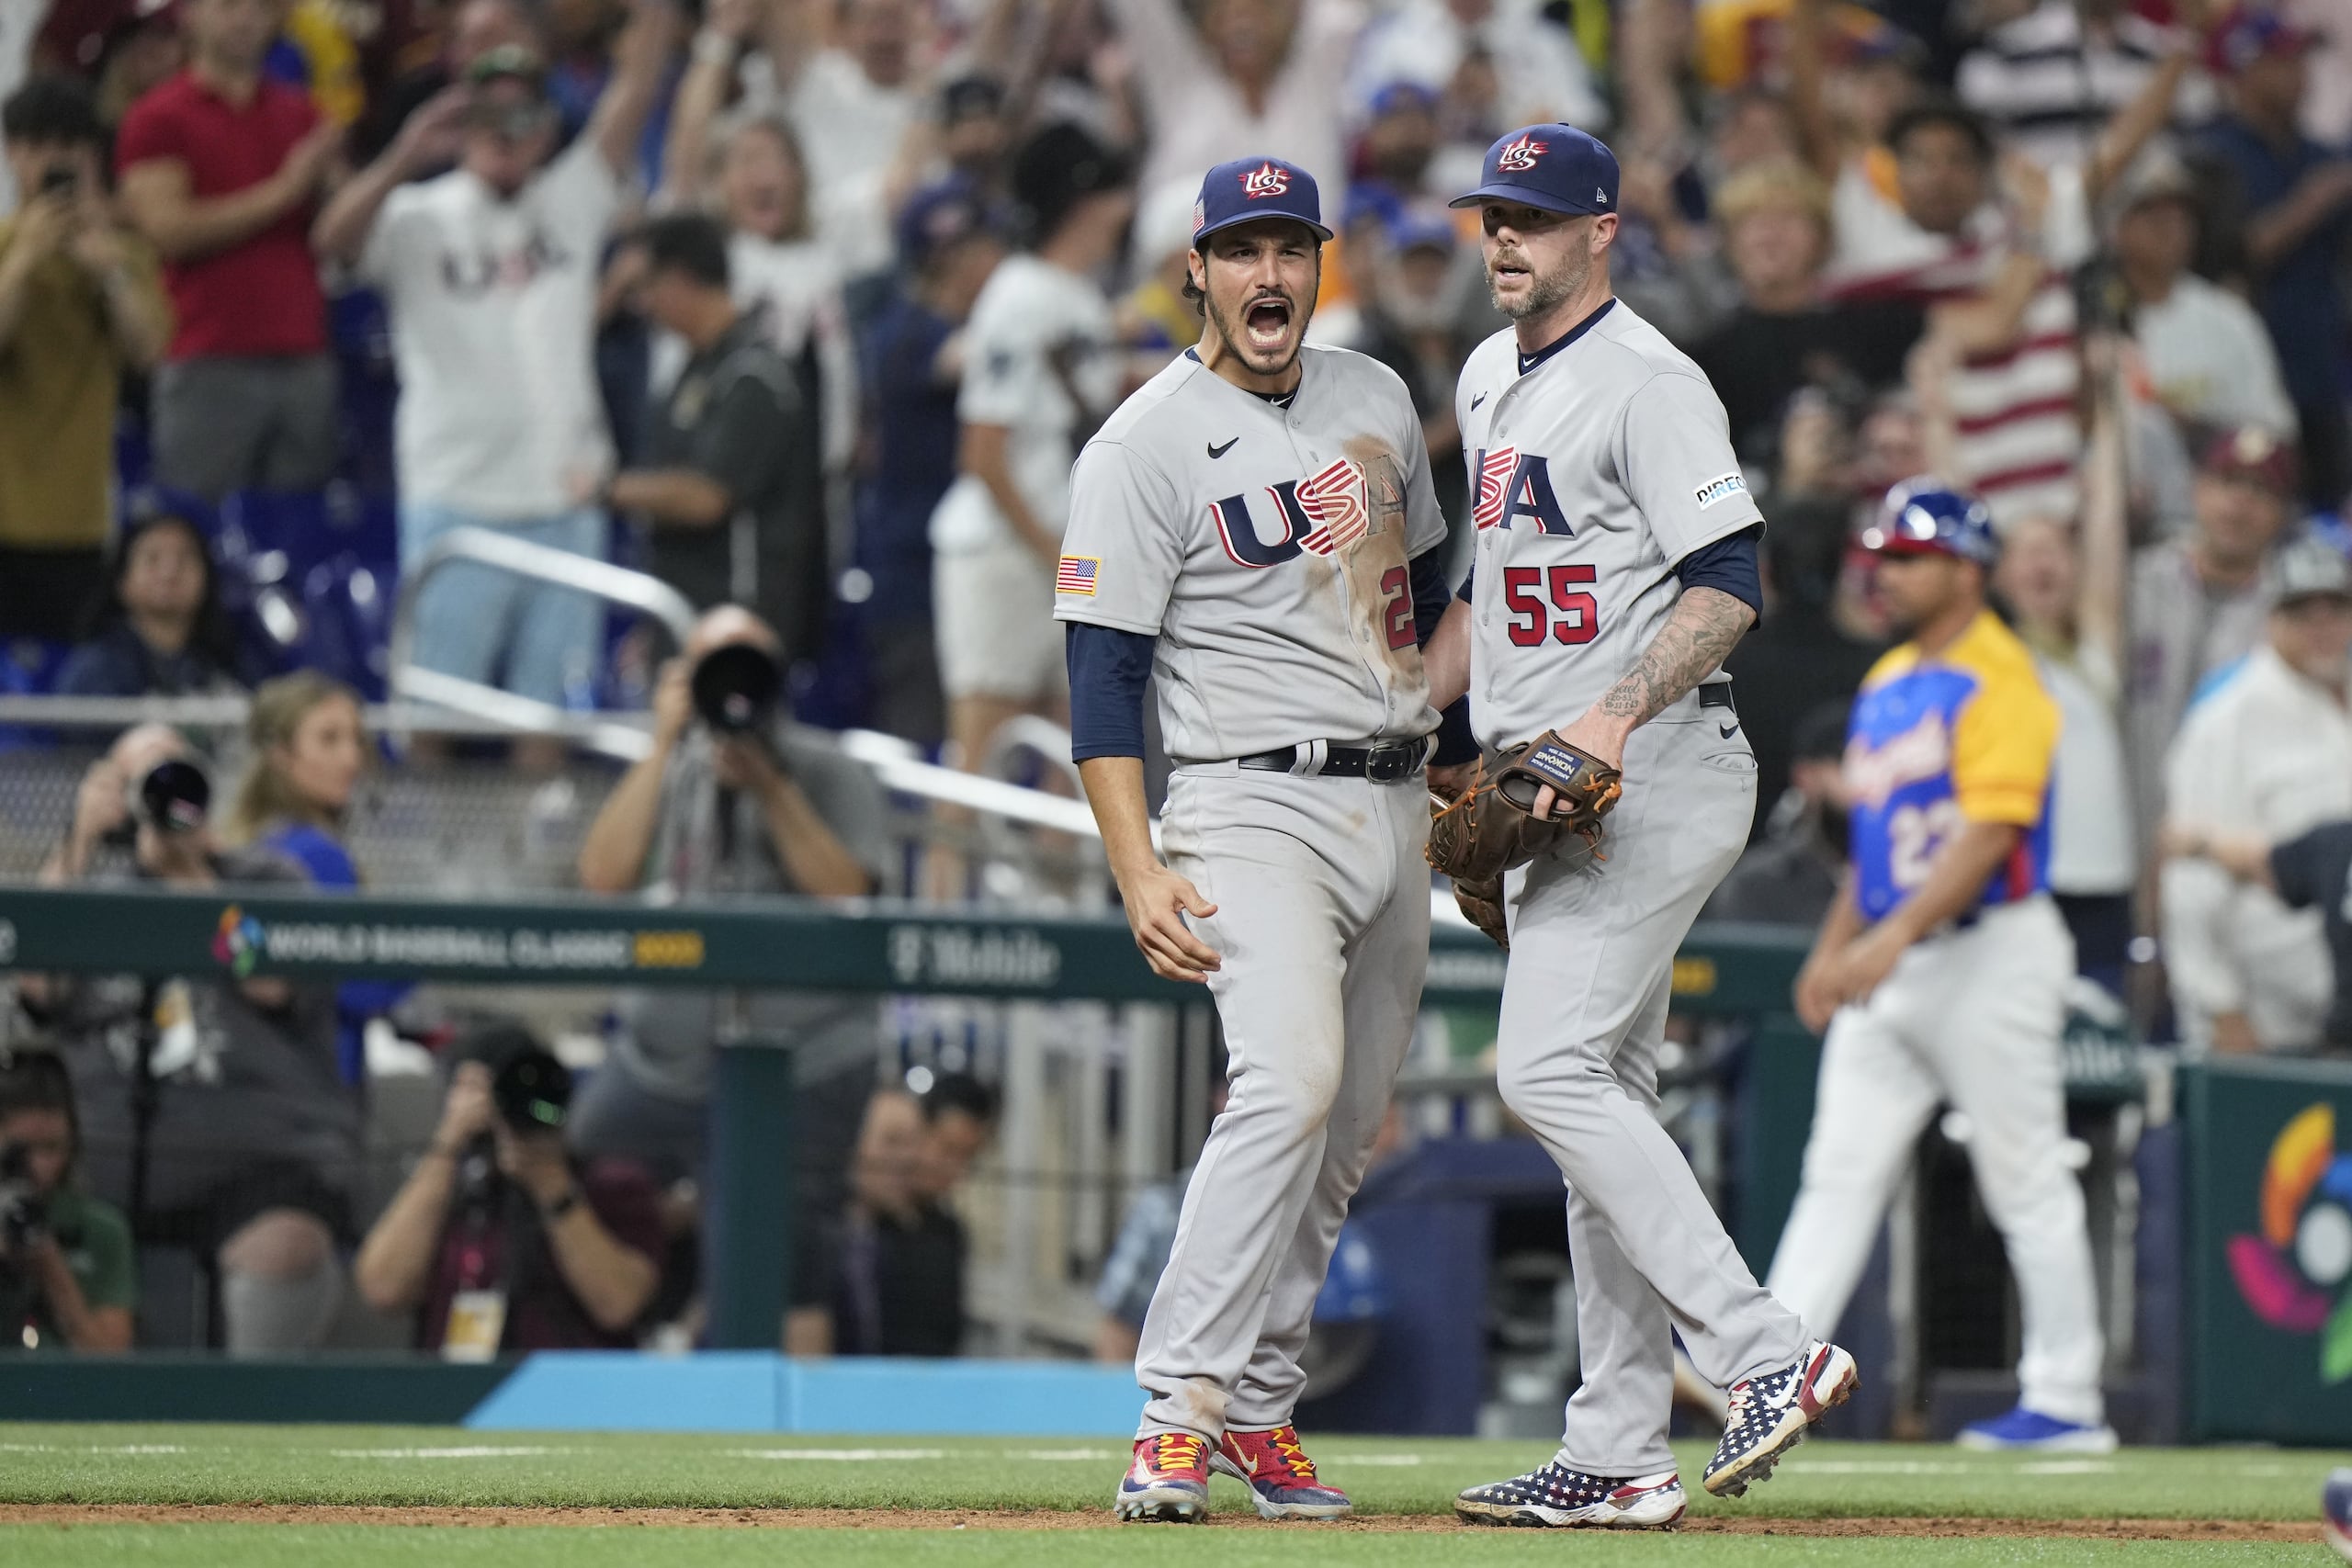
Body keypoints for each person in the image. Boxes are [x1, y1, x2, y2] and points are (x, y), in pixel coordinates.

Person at [1420, 124, 1853, 1526]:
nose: (1507, 239)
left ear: (1602, 229)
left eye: (1536, 219)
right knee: (1604, 1093)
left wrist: (1603, 719)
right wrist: (1425, 719)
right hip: (1545, 785)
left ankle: (1764, 1351)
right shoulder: (1488, 373)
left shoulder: (1653, 382)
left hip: (1652, 762)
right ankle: (1614, 1446)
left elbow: (1731, 580)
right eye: (1495, 214)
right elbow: (1496, 587)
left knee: (1544, 1070)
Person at [1057, 155, 1452, 1524]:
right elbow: (1101, 680)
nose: (1268, 275)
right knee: (1284, 1082)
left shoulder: (1378, 397)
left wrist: (1453, 767)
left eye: (1291, 249)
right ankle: (1179, 1409)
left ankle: (1264, 1403)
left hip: (1395, 793)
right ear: (1198, 270)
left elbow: (1426, 586)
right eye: (1242, 251)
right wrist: (1135, 862)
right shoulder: (1144, 441)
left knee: (1343, 1132)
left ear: (1319, 265)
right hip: (1245, 797)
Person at [1771, 481, 2114, 1454]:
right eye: (1882, 554)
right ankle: (1767, 1375)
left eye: (1909, 556)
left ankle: (2066, 1400)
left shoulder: (2002, 677)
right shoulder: (1884, 683)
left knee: (2024, 1177)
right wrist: (1837, 944)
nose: (1887, 571)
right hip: (1900, 957)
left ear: (1965, 567)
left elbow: (1988, 834)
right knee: (1836, 1172)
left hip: (1991, 952)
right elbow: (1878, 844)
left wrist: (1883, 940)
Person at [311, 11, 675, 748]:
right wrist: (404, 155)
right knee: (432, 707)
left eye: (524, 109)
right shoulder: (414, 211)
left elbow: (638, 83)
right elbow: (331, 243)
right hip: (455, 492)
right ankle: (432, 856)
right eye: (489, 109)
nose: (507, 127)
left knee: (550, 716)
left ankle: (530, 861)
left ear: (548, 124)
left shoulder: (573, 197)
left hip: (563, 492)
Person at [28, 723, 357, 1353]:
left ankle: (251, 1425)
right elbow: (37, 986)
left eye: (178, 773)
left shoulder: (264, 878)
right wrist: (79, 838)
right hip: (100, 1163)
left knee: (289, 1240)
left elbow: (267, 979)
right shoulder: (89, 890)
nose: (165, 793)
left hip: (253, 1161)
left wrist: (189, 873)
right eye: (144, 781)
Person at [571, 605, 889, 1217]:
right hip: (657, 1068)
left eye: (748, 666)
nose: (734, 685)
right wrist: (663, 743)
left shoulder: (831, 770)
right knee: (586, 1158)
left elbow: (845, 893)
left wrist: (771, 786)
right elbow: (602, 877)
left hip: (804, 1066)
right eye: (714, 668)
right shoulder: (670, 769)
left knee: (778, 1247)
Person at [931, 124, 1129, 782]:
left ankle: (1056, 891)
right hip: (1005, 555)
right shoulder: (1018, 295)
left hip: (1064, 553)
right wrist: (1059, 558)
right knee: (981, 754)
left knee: (1074, 753)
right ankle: (941, 890)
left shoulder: (1079, 295)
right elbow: (983, 455)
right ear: (1083, 202)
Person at [114, 0, 345, 502]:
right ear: (191, 14)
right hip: (207, 357)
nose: (244, 19)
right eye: (228, 5)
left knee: (300, 534)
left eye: (260, 7)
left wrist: (337, 187)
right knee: (199, 528)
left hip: (301, 352)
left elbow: (341, 236)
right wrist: (286, 190)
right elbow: (168, 231)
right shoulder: (156, 118)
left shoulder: (303, 114)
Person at [354, 1027, 664, 1352]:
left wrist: (550, 1182)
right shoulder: (448, 1184)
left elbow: (619, 1305)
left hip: (571, 1394)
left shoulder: (610, 1185)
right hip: (459, 1394)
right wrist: (447, 1146)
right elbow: (384, 1290)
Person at [2159, 535, 2352, 1055]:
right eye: (2302, 612)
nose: (2322, 627)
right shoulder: (2228, 717)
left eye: (2336, 609)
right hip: (2268, 1023)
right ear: (2272, 619)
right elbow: (2188, 874)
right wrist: (2220, 1007)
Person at [606, 213, 825, 666]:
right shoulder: (696, 368)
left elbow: (706, 497)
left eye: (648, 285)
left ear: (681, 278)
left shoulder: (753, 375)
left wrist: (607, 489)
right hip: (689, 619)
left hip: (737, 623)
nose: (644, 303)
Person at [0, 74, 171, 642]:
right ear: (12, 153)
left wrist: (108, 271)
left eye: (70, 147)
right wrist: (22, 263)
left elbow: (149, 350)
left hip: (79, 520)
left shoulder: (121, 255)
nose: (54, 161)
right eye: (37, 146)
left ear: (93, 158)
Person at [853, 178, 1003, 748]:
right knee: (920, 737)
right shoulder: (905, 333)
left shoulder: (954, 328)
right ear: (949, 257)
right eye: (984, 247)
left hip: (960, 568)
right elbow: (964, 360)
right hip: (912, 576)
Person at [2199, 5, 2352, 509]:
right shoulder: (2214, 154)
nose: (2300, 74)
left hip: (2322, 368)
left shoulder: (2318, 153)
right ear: (2245, 69)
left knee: (2329, 517)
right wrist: (2309, 205)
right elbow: (2228, 257)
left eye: (2302, 61)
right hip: (2246, 376)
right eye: (2282, 61)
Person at [216, 671, 401, 1086]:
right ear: (281, 753)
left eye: (356, 739)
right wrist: (419, 952)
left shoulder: (246, 847)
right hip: (317, 1083)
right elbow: (353, 980)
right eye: (329, 740)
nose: (351, 759)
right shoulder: (316, 856)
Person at [2124, 424, 2295, 853]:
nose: (2240, 502)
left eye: (2261, 490)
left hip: (2231, 842)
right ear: (2196, 489)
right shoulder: (2136, 584)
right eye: (2227, 482)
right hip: (2128, 827)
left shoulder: (2291, 615)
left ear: (2281, 513)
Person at [1689, 160, 1922, 469]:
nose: (1769, 236)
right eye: (1751, 222)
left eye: (1787, 219)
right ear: (1729, 244)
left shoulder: (1877, 327)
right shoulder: (1702, 362)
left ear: (1823, 239)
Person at [1100, 0, 1363, 219]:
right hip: (1188, 270)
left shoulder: (1312, 85)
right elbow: (1140, 9)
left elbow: (1339, 19)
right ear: (1206, 29)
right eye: (1225, 15)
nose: (1241, 25)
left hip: (1314, 266)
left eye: (1257, 12)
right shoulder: (1181, 86)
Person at [2112, 153, 2299, 442]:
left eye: (2182, 215)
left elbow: (2276, 436)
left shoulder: (2229, 319)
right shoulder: (2096, 321)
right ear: (2117, 228)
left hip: (2213, 479)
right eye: (2152, 213)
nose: (2170, 227)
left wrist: (2197, 431)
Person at [792, 1086, 967, 1358]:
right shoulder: (810, 1238)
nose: (908, 1158)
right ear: (849, 1145)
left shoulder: (913, 1243)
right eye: (893, 1141)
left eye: (914, 1143)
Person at [0, 1052, 136, 1353]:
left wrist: (52, 1271)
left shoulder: (102, 1230)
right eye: (21, 1151)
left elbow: (112, 1368)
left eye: (52, 1148)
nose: (38, 1166)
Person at [56, 503, 248, 697]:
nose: (169, 572)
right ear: (122, 581)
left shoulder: (231, 661)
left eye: (184, 558)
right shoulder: (94, 669)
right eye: (152, 558)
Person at [1704, 701, 1851, 928]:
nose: (1866, 776)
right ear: (1805, 776)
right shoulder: (1757, 885)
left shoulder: (1911, 876)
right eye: (1846, 762)